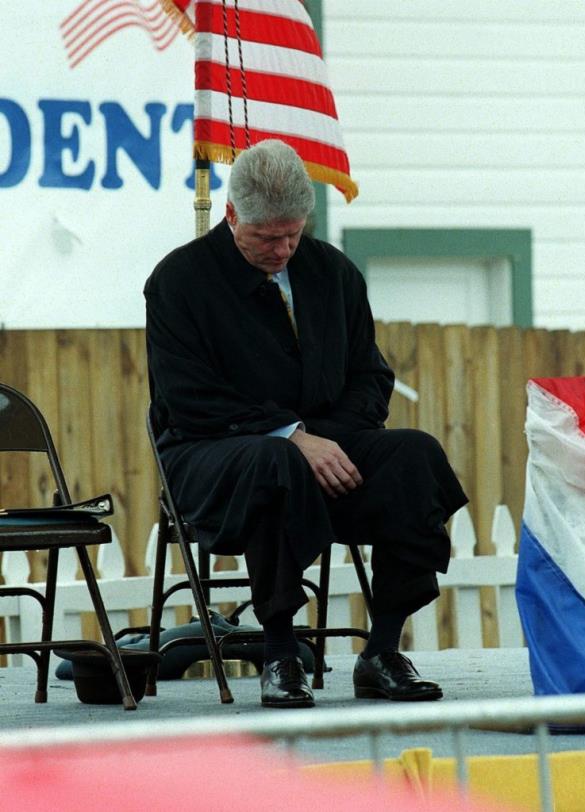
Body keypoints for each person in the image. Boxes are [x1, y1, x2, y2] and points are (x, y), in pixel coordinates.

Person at [144, 139, 468, 709]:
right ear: (231, 215)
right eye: (267, 237)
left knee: (415, 456)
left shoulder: (332, 273)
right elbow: (189, 399)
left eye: (293, 234)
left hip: (325, 446)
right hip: (211, 455)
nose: (283, 249)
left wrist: (327, 439)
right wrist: (294, 436)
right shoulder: (179, 282)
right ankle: (280, 651)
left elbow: (371, 377)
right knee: (274, 462)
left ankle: (383, 650)